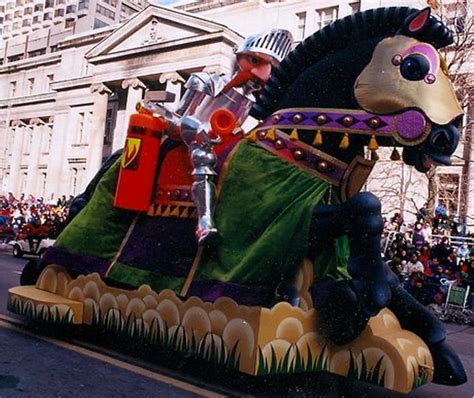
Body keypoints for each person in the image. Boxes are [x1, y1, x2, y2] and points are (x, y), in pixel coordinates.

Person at [159, 29, 293, 245]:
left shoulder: (255, 102)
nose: (259, 73)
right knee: (204, 155)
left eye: (270, 69)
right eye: (254, 60)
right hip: (193, 137)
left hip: (231, 141)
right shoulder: (206, 81)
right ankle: (204, 223)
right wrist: (197, 130)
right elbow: (178, 117)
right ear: (239, 57)